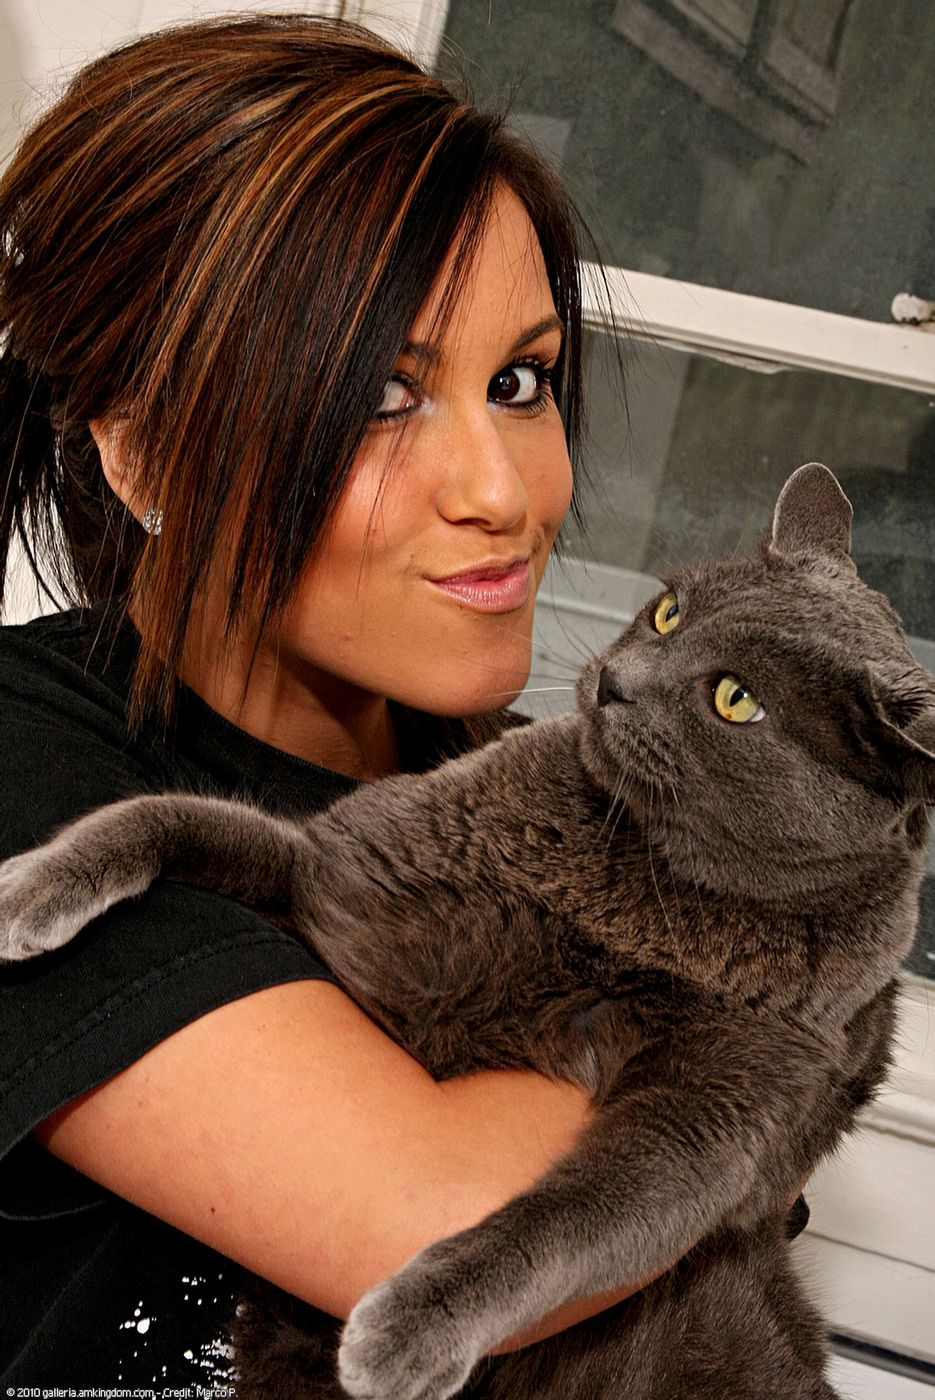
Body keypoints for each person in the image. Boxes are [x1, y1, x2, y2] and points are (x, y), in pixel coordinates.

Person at [0, 13, 649, 1386]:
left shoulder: (530, 802)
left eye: (519, 382)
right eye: (381, 401)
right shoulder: (33, 780)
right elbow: (442, 1230)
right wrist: (743, 1051)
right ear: (144, 454)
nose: (504, 491)